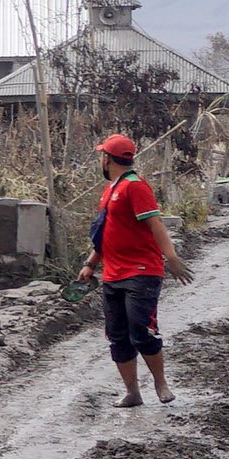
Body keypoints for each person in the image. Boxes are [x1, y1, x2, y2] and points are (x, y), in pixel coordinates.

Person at [86, 130, 175, 408]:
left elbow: (156, 223)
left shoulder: (135, 186)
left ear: (107, 159)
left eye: (102, 155)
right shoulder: (110, 190)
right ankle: (132, 392)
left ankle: (161, 384)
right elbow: (104, 234)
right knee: (117, 336)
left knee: (142, 331)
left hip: (141, 272)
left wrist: (171, 256)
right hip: (112, 274)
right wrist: (90, 265)